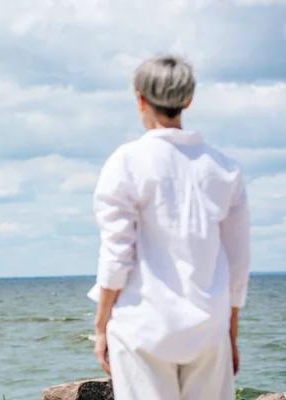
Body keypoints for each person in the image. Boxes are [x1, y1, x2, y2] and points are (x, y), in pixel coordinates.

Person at [87, 55, 250, 400]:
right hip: (209, 328)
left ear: (140, 99)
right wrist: (230, 336)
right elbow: (238, 266)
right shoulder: (224, 168)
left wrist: (101, 327)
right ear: (188, 100)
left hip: (141, 326)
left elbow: (117, 256)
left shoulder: (125, 162)